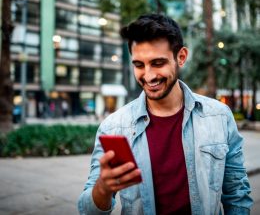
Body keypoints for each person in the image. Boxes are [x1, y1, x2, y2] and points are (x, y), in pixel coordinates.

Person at [78, 14, 253, 214]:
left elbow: (237, 193)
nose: (149, 75)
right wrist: (103, 187)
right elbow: (87, 210)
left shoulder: (219, 116)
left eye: (158, 63)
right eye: (139, 65)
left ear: (181, 57)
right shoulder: (114, 127)